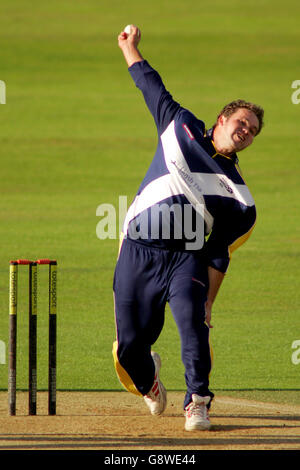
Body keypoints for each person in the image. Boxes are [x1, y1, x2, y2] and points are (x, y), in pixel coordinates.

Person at [112, 25, 264, 431]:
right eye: (242, 121)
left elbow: (219, 254)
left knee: (192, 325)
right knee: (128, 348)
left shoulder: (240, 198)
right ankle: (149, 383)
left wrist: (210, 302)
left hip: (188, 258)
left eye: (252, 131)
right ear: (223, 118)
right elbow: (151, 86)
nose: (245, 130)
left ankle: (198, 401)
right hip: (139, 249)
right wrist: (130, 48)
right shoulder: (178, 125)